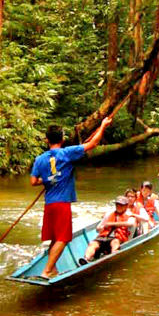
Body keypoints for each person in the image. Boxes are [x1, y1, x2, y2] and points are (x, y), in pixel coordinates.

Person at [29, 114, 113, 278]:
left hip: (49, 204)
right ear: (62, 139)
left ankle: (52, 269)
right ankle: (46, 271)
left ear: (47, 140)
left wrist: (48, 179)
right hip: (62, 203)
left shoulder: (39, 159)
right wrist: (103, 125)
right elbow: (93, 144)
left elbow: (33, 182)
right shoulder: (67, 153)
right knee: (64, 238)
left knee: (55, 238)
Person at [83, 195, 135, 261]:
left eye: (121, 205)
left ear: (126, 206)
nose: (118, 207)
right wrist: (101, 228)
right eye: (117, 205)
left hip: (117, 238)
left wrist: (112, 224)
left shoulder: (129, 215)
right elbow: (98, 227)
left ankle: (113, 258)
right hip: (104, 237)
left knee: (115, 242)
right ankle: (86, 259)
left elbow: (129, 224)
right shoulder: (109, 214)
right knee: (92, 244)